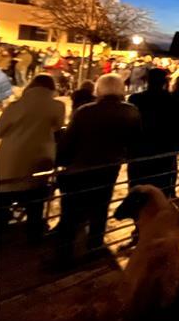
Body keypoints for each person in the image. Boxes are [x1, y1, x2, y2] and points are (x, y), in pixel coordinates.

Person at [56, 74, 141, 263]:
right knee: (100, 207)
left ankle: (64, 254)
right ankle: (94, 246)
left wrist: (61, 160)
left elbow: (67, 142)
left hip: (80, 167)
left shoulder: (85, 111)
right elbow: (134, 141)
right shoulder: (131, 111)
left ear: (99, 89)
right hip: (109, 167)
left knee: (71, 212)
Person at [0, 74, 65, 241]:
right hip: (40, 161)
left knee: (2, 200)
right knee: (36, 203)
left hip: (10, 162)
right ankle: (33, 235)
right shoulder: (57, 106)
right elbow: (58, 127)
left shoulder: (16, 106)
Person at [128, 68, 179, 197]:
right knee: (160, 193)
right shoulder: (173, 101)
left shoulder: (135, 99)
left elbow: (130, 125)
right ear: (164, 82)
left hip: (140, 152)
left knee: (138, 192)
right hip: (164, 151)